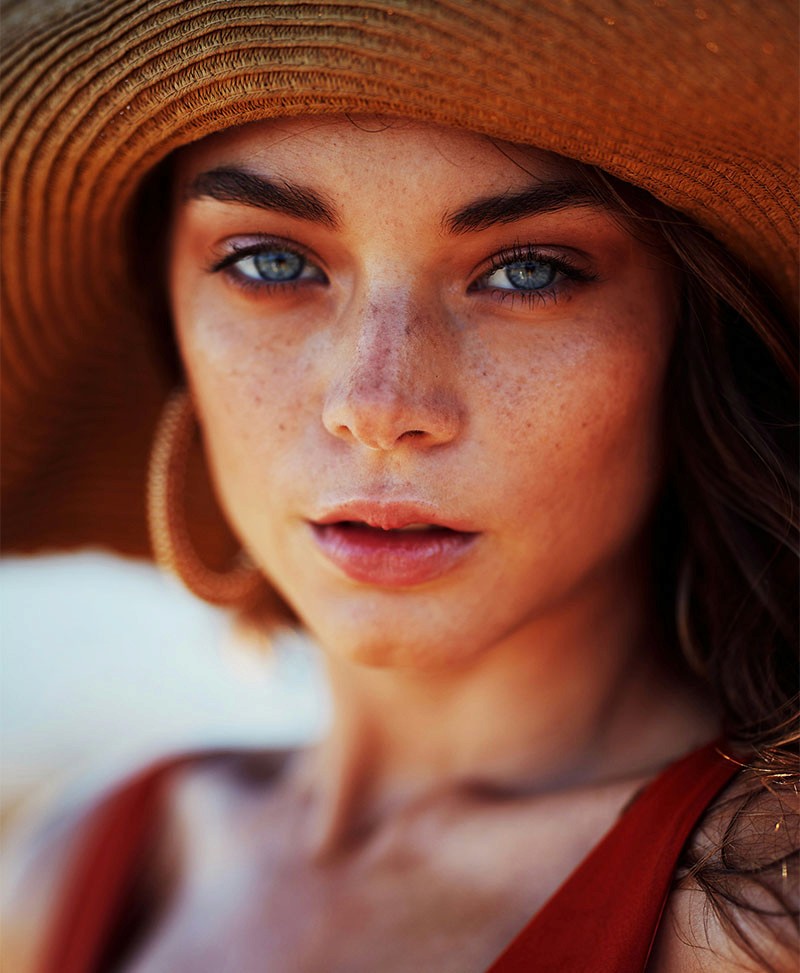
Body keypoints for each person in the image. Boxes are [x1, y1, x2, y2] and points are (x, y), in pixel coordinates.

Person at [1, 1, 797, 971]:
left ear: (687, 334)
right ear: (167, 323)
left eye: (528, 272)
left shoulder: (753, 918)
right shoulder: (84, 860)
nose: (375, 405)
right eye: (270, 261)